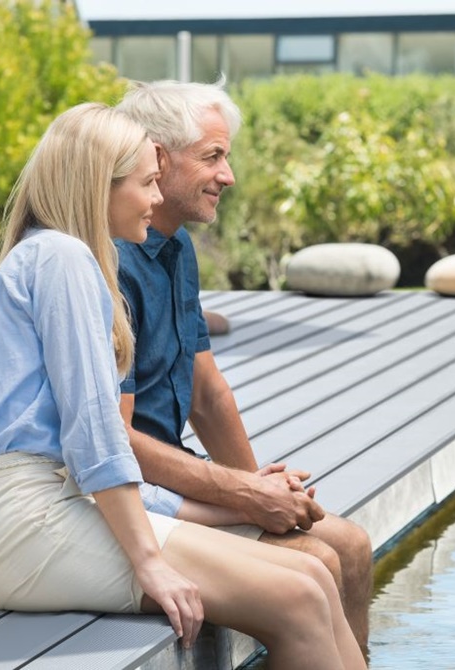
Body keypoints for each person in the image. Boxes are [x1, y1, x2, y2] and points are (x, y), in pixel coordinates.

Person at [0, 102, 365, 670]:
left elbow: (98, 466)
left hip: (59, 507)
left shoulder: (67, 259)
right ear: (102, 183)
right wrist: (151, 563)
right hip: (28, 527)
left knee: (312, 577)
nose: (154, 198)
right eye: (147, 182)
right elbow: (97, 441)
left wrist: (237, 507)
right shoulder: (61, 259)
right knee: (297, 597)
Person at [114, 80, 374, 649]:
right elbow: (116, 440)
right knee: (317, 561)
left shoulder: (176, 247)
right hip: (136, 493)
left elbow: (206, 393)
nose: (227, 175)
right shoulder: (113, 262)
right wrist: (244, 496)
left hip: (176, 471)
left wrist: (260, 489)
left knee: (352, 546)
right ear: (159, 157)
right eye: (212, 156)